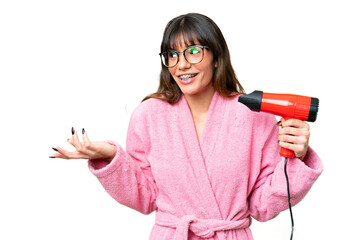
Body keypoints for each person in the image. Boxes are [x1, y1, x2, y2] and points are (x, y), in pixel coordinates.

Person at [51, 13, 323, 240]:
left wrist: (297, 156)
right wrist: (110, 157)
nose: (181, 64)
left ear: (217, 56)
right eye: (171, 54)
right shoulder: (148, 117)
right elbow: (146, 197)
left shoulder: (256, 117)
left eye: (193, 51)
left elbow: (263, 206)